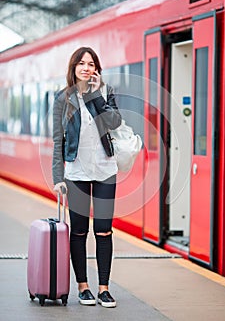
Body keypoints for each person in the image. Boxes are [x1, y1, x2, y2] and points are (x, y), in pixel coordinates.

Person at [52, 47, 122, 308]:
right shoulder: (63, 98)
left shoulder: (106, 92)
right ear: (74, 68)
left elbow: (114, 122)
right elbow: (57, 140)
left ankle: (104, 288)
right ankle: (83, 287)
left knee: (103, 231)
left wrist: (95, 97)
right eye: (81, 63)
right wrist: (58, 177)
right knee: (79, 231)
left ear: (96, 69)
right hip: (76, 172)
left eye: (91, 64)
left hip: (105, 170)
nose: (86, 67)